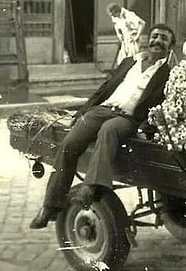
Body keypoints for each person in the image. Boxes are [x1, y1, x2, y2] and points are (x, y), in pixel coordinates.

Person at [29, 23, 176, 230]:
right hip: (103, 109)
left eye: (163, 38)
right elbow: (105, 88)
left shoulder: (167, 74)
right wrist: (84, 110)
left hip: (128, 117)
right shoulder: (129, 62)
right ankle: (50, 205)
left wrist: (147, 128)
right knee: (70, 143)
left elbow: (161, 105)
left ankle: (91, 187)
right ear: (147, 40)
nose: (157, 41)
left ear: (170, 48)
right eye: (155, 36)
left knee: (109, 130)